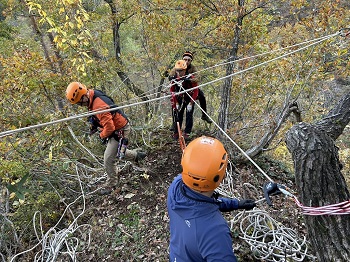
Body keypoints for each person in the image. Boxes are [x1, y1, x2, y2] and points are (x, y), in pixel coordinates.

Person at [167, 136, 256, 262]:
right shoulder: (215, 231)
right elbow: (202, 210)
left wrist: (236, 204)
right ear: (220, 176)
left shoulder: (175, 188)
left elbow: (199, 204)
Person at [65, 82, 146, 193]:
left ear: (84, 96)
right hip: (118, 127)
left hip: (119, 130)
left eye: (79, 103)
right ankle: (137, 156)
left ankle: (111, 184)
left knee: (108, 158)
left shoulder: (98, 105)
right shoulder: (93, 95)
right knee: (118, 152)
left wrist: (101, 135)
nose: (80, 105)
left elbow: (109, 127)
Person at [169, 60, 199, 140]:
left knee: (189, 115)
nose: (179, 73)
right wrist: (176, 103)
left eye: (181, 71)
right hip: (178, 97)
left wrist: (191, 103)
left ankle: (187, 133)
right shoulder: (174, 79)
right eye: (177, 71)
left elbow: (196, 90)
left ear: (185, 70)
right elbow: (172, 91)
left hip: (189, 97)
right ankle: (176, 132)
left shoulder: (191, 78)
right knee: (177, 115)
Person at [182, 51, 212, 124]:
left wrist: (190, 80)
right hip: (180, 88)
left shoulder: (193, 68)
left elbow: (198, 77)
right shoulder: (178, 65)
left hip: (191, 87)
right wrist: (170, 76)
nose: (187, 61)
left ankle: (204, 115)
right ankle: (175, 124)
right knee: (179, 107)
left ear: (191, 61)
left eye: (189, 60)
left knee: (202, 96)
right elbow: (172, 73)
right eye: (185, 59)